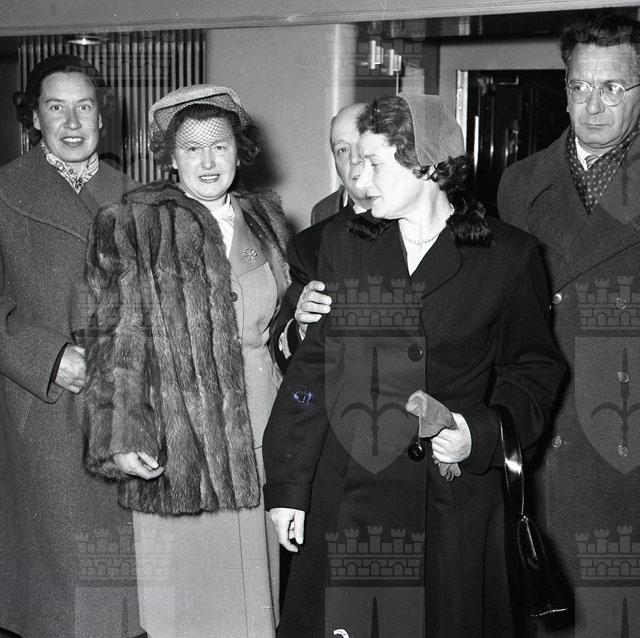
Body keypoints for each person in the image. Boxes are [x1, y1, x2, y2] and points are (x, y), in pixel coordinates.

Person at [263, 93, 566, 637]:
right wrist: (289, 487)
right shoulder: (344, 244)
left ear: (427, 166)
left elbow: (533, 370)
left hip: (448, 501)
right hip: (349, 488)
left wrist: (479, 434)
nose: (358, 177)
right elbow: (312, 371)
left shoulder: (507, 255)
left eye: (374, 162)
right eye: (354, 160)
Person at [83, 85, 290, 638]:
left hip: (263, 433)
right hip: (181, 443)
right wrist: (122, 433)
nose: (208, 161)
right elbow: (116, 334)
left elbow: (280, 320)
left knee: (256, 604)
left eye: (220, 146)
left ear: (240, 150)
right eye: (192, 148)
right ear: (170, 157)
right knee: (190, 611)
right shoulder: (134, 222)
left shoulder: (265, 218)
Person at [498, 13, 640, 634]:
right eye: (580, 86)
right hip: (538, 441)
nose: (594, 105)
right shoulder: (520, 183)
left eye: (613, 87)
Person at [0, 55, 141, 638]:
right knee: (59, 604)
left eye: (84, 106)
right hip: (45, 413)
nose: (73, 122)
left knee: (117, 599)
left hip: (123, 410)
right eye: (56, 107)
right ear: (35, 118)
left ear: (102, 117)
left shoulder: (135, 195)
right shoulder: (6, 190)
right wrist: (48, 358)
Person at [274, 102, 373, 368]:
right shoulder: (309, 246)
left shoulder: (424, 228)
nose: (355, 158)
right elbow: (282, 353)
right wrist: (302, 330)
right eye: (343, 149)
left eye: (364, 142)